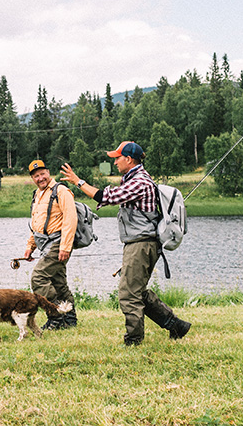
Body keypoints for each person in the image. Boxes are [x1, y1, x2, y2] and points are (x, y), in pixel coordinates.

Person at [60, 141, 190, 345]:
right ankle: (175, 325)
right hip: (138, 243)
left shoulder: (139, 182)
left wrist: (78, 182)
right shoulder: (133, 179)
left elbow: (106, 197)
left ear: (129, 159)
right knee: (136, 291)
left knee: (128, 294)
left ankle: (134, 340)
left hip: (141, 244)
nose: (115, 162)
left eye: (117, 158)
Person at [23, 159, 78, 329]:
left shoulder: (61, 191)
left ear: (48, 172)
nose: (40, 178)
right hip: (44, 244)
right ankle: (69, 320)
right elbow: (36, 224)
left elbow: (71, 219)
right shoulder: (37, 194)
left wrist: (65, 246)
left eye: (42, 174)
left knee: (38, 278)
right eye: (36, 176)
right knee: (58, 283)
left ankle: (55, 316)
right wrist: (30, 246)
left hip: (58, 243)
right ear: (33, 178)